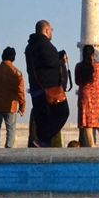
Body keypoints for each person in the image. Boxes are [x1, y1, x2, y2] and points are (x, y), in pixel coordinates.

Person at [24, 20, 70, 148]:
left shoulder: (30, 46)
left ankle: (41, 143)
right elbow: (50, 62)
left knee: (42, 119)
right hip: (49, 89)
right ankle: (43, 139)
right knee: (62, 113)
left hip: (35, 88)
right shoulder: (44, 44)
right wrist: (62, 61)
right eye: (51, 30)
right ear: (47, 30)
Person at [0, 47, 26, 148]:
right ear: (13, 58)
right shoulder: (17, 72)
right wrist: (22, 106)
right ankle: (8, 149)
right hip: (11, 105)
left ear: (2, 56)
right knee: (11, 129)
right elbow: (20, 91)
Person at [74, 45, 99, 147]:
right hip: (97, 97)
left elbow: (77, 81)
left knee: (87, 123)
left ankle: (92, 146)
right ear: (93, 54)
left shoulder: (78, 66)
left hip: (84, 96)